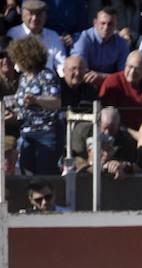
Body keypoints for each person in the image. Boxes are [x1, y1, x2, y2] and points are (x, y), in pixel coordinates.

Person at [8, 35, 60, 175]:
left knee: (44, 174)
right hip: (25, 132)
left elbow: (56, 102)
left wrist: (36, 100)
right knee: (24, 173)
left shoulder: (46, 75)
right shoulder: (24, 78)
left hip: (45, 132)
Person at [99, 50, 142, 134]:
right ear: (125, 65)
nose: (132, 72)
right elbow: (108, 116)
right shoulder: (113, 82)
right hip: (120, 132)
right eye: (130, 67)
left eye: (138, 69)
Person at [71, 7, 129, 88]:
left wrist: (103, 77)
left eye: (110, 24)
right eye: (103, 23)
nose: (106, 27)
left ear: (116, 25)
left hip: (111, 85)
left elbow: (125, 74)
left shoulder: (121, 43)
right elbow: (80, 70)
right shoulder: (83, 38)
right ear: (95, 23)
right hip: (85, 84)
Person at [8, 0, 65, 77]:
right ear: (22, 14)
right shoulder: (13, 34)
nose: (34, 18)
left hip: (48, 83)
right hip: (21, 81)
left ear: (45, 16)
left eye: (39, 14)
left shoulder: (53, 36)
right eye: (31, 13)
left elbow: (61, 65)